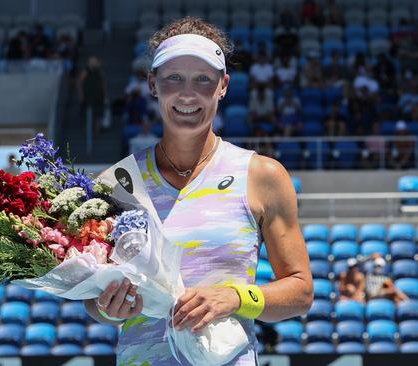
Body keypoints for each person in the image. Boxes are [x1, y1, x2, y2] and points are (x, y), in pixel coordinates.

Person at [85, 17, 313, 365]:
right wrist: (109, 309)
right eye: (174, 77)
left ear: (223, 86)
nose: (188, 93)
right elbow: (96, 304)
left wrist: (235, 298)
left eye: (202, 79)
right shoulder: (116, 182)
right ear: (153, 84)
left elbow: (300, 291)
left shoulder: (261, 175)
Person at [77, 56, 107, 136]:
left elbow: (102, 83)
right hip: (87, 96)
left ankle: (97, 131)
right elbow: (80, 83)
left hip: (98, 96)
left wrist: (104, 95)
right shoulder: (85, 71)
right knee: (85, 115)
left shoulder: (99, 71)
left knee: (98, 114)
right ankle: (85, 132)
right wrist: (81, 95)